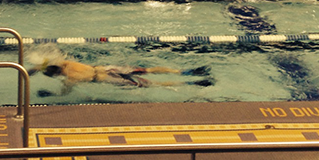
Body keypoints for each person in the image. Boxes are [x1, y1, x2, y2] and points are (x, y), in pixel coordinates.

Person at [27, 47, 212, 94]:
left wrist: (51, 95)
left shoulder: (69, 79)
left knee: (151, 85)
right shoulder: (67, 64)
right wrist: (36, 68)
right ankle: (183, 73)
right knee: (147, 70)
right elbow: (53, 62)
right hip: (108, 69)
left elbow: (64, 94)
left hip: (108, 79)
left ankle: (192, 83)